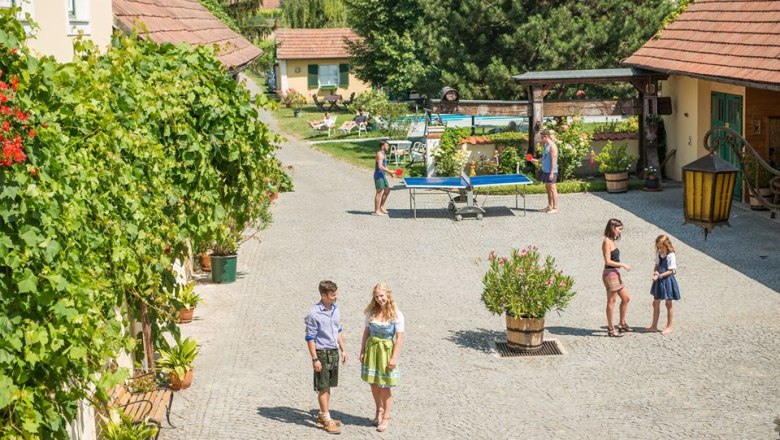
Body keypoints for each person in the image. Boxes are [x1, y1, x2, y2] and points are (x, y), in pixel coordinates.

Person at [360, 283, 405, 433]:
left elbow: (399, 338)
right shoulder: (371, 312)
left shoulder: (397, 314)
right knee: (374, 384)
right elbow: (366, 332)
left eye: (382, 296)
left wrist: (394, 358)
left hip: (386, 351)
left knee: (385, 385)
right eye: (377, 296)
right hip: (372, 349)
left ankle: (386, 416)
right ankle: (378, 411)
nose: (379, 299)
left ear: (388, 295)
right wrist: (362, 350)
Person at [304, 280, 347, 434]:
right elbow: (310, 338)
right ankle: (327, 420)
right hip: (322, 353)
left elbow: (338, 330)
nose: (336, 297)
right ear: (323, 295)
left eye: (336, 294)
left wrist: (343, 349)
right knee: (322, 387)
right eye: (333, 295)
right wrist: (315, 359)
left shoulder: (335, 309)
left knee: (328, 386)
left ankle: (324, 414)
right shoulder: (314, 313)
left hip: (333, 352)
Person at [602, 218, 632, 337]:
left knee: (626, 298)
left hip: (615, 273)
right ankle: (610, 328)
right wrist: (623, 264)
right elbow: (608, 260)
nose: (620, 231)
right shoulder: (607, 242)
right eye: (619, 229)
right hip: (610, 274)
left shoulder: (612, 240)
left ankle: (621, 323)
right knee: (611, 301)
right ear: (613, 228)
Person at [647, 235, 681, 335]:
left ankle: (669, 326)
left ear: (666, 245)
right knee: (655, 303)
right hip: (659, 280)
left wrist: (659, 276)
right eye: (658, 246)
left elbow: (670, 271)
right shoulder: (659, 253)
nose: (659, 248)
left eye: (661, 246)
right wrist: (655, 273)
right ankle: (654, 326)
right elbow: (656, 266)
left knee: (668, 303)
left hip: (667, 280)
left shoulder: (671, 255)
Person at [540, 129, 559, 214]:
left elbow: (553, 160)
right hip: (545, 170)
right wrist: (536, 160)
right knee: (548, 188)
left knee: (553, 188)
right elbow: (544, 157)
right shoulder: (545, 145)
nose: (541, 139)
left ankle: (555, 208)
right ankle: (550, 206)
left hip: (551, 171)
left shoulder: (552, 146)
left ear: (546, 137)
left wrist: (552, 172)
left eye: (542, 137)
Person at [373, 140, 394, 216]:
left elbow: (384, 165)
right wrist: (389, 171)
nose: (388, 147)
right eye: (387, 146)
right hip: (378, 175)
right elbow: (380, 166)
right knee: (379, 192)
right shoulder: (380, 154)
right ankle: (377, 210)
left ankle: (381, 206)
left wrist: (389, 172)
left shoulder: (383, 154)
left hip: (383, 175)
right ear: (383, 146)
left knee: (387, 190)